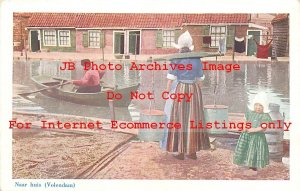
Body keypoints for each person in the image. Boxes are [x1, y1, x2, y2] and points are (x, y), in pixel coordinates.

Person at [165, 31, 210, 160]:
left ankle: (179, 151)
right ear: (190, 46)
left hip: (181, 88)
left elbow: (171, 78)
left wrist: (167, 92)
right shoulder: (197, 58)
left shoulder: (176, 58)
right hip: (193, 89)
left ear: (179, 46)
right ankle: (192, 151)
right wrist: (199, 95)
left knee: (179, 118)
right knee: (193, 118)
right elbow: (200, 79)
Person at [233, 92, 272, 176]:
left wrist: (254, 129)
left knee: (253, 152)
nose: (258, 107)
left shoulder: (265, 116)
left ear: (264, 107)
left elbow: (263, 127)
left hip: (257, 138)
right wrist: (244, 126)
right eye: (256, 105)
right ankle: (246, 164)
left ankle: (253, 169)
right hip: (247, 135)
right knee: (246, 150)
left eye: (260, 106)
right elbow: (245, 120)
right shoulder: (250, 113)